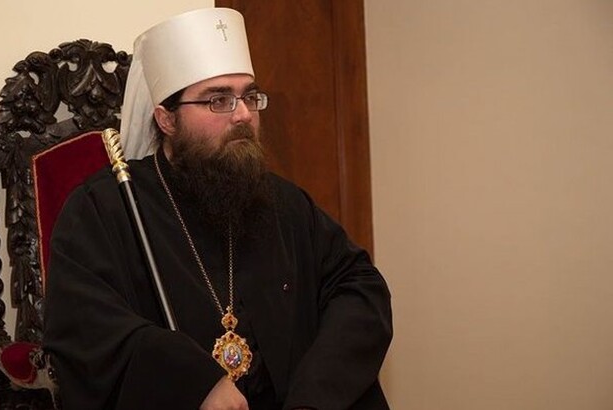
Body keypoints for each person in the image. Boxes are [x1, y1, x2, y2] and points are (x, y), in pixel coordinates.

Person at [43, 7, 392, 410]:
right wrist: (195, 385)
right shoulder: (105, 208)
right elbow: (83, 327)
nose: (244, 114)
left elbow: (360, 288)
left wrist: (314, 395)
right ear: (166, 119)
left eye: (249, 96)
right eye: (219, 100)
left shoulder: (285, 204)